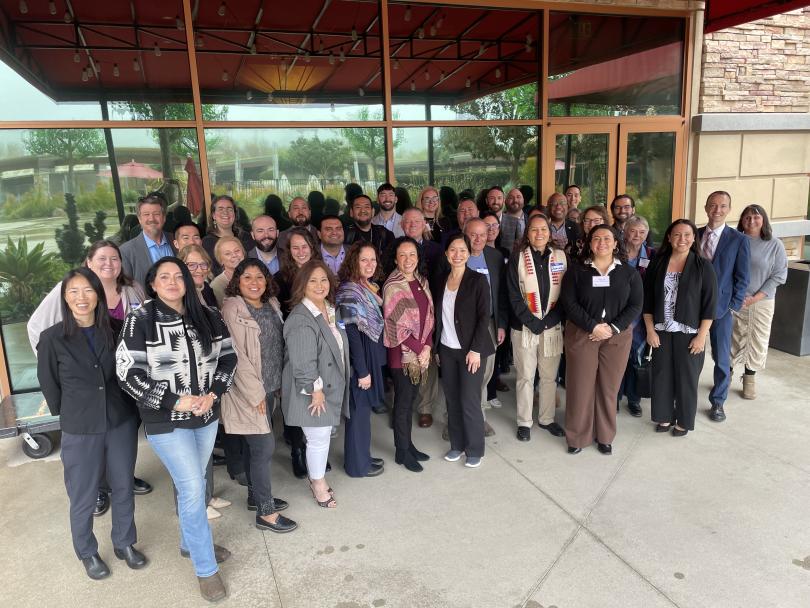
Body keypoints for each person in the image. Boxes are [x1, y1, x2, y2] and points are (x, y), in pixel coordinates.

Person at [116, 257, 237, 602]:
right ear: (152, 283)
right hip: (166, 421)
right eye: (163, 277)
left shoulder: (206, 316)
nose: (172, 282)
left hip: (207, 415)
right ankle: (205, 568)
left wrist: (214, 392)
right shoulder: (140, 319)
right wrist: (174, 401)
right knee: (191, 487)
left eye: (178, 277)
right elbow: (127, 372)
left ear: (187, 281)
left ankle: (189, 542)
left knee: (196, 482)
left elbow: (229, 357)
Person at [37, 268, 146, 581]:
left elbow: (129, 371)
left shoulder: (116, 327)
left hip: (119, 419)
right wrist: (71, 413)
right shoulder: (52, 338)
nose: (81, 298)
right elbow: (50, 384)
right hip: (80, 425)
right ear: (65, 297)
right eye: (73, 292)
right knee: (83, 494)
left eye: (87, 290)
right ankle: (87, 551)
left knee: (123, 485)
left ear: (99, 293)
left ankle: (125, 542)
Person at [27, 240, 151, 513]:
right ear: (89, 262)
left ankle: (122, 479)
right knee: (91, 444)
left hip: (121, 384)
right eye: (102, 259)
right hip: (85, 388)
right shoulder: (71, 289)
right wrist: (61, 365)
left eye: (114, 259)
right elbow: (36, 326)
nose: (109, 264)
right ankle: (96, 488)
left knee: (120, 440)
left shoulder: (132, 289)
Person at [220, 260, 297, 532]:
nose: (254, 282)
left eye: (260, 277)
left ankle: (256, 497)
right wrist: (256, 394)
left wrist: (278, 383)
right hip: (248, 391)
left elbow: (277, 344)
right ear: (237, 281)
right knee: (263, 449)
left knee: (258, 448)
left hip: (270, 386)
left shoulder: (271, 303)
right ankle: (266, 514)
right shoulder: (232, 308)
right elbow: (236, 356)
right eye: (247, 277)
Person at [561, 225, 643, 455]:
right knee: (580, 387)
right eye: (596, 238)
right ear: (590, 243)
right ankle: (577, 437)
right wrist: (593, 326)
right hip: (582, 333)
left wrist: (613, 327)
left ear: (616, 243)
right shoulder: (577, 272)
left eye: (607, 238)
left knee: (608, 388)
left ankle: (605, 436)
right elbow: (569, 303)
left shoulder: (628, 273)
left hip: (616, 337)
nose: (602, 243)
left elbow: (635, 304)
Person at [282, 261, 350, 508]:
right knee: (318, 438)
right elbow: (303, 362)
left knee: (321, 437)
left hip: (327, 387)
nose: (320, 285)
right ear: (301, 285)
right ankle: (318, 483)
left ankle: (317, 477)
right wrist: (315, 390)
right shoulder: (301, 318)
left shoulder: (328, 308)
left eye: (323, 279)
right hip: (313, 392)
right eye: (312, 281)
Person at [644, 220, 717, 437]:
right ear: (669, 237)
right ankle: (664, 416)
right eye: (677, 234)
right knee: (661, 375)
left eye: (687, 235)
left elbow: (709, 305)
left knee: (687, 378)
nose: (682, 239)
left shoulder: (703, 266)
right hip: (661, 331)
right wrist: (650, 330)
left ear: (694, 238)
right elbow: (646, 300)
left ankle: (684, 421)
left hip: (690, 334)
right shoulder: (657, 263)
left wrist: (701, 336)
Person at [177, 243, 230, 518]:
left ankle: (206, 496)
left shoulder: (203, 292)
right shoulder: (181, 298)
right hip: (187, 389)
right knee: (187, 454)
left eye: (202, 265)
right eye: (191, 265)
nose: (198, 270)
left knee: (204, 449)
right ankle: (193, 504)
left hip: (208, 385)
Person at [433, 234, 494, 468]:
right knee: (452, 399)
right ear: (446, 254)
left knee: (469, 400)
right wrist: (437, 347)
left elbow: (483, 318)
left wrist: (476, 350)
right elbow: (439, 317)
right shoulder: (440, 280)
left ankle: (475, 448)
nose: (457, 254)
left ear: (469, 254)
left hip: (471, 351)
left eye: (462, 250)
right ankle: (457, 445)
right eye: (453, 250)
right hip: (447, 350)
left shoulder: (478, 281)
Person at [508, 214, 568, 442]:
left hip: (552, 328)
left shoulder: (561, 256)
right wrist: (534, 322)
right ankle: (524, 422)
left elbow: (566, 293)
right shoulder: (518, 258)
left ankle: (547, 419)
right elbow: (513, 296)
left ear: (550, 233)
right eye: (534, 230)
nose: (539, 234)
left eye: (543, 229)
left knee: (549, 376)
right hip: (525, 328)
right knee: (525, 376)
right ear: (528, 233)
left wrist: (550, 321)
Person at [383, 237, 435, 473]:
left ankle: (409, 445)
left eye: (412, 254)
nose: (407, 259)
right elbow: (394, 325)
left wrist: (427, 347)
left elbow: (429, 318)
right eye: (402, 255)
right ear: (395, 258)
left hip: (421, 352)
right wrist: (419, 348)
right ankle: (401, 452)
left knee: (411, 399)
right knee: (403, 404)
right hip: (401, 355)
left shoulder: (422, 281)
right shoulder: (393, 285)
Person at [698, 191, 750, 422]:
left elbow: (742, 277)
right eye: (712, 205)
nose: (717, 210)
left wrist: (733, 306)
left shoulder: (739, 240)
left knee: (721, 358)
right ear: (705, 207)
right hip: (693, 308)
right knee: (691, 354)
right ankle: (684, 394)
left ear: (729, 209)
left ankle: (718, 401)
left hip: (721, 309)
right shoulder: (695, 235)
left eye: (722, 206)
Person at [336, 242, 387, 477]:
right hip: (360, 358)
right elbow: (352, 333)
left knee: (364, 413)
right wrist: (363, 370)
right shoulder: (348, 291)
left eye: (373, 259)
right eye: (364, 259)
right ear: (354, 261)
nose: (369, 264)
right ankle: (357, 466)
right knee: (357, 414)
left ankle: (362, 457)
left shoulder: (365, 286)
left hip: (369, 354)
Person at [731, 204, 788, 400]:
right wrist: (736, 296)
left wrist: (755, 297)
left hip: (761, 301)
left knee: (756, 340)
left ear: (763, 220)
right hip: (735, 300)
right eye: (747, 217)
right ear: (741, 220)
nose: (752, 221)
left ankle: (749, 379)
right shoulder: (735, 240)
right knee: (731, 338)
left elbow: (779, 275)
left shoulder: (774, 244)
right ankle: (725, 375)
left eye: (756, 217)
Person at [463, 218, 507, 435]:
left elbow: (501, 295)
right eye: (473, 234)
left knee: (485, 372)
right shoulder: (455, 255)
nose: (479, 238)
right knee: (463, 373)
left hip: (489, 324)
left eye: (483, 233)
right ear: (464, 234)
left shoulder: (495, 257)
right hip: (461, 326)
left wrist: (501, 325)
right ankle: (462, 418)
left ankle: (478, 415)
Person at [617, 216, 656, 417]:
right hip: (617, 315)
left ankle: (634, 399)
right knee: (615, 359)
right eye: (633, 231)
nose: (637, 236)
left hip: (641, 318)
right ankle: (614, 396)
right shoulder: (615, 252)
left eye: (642, 232)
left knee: (636, 359)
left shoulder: (652, 254)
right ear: (625, 231)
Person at [119, 192, 175, 286]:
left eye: (156, 214)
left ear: (164, 217)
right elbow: (126, 289)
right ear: (139, 219)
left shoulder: (176, 240)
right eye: (146, 214)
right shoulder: (126, 252)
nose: (151, 218)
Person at [202, 196, 252, 275]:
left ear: (234, 214)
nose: (225, 212)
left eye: (229, 209)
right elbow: (211, 271)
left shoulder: (246, 237)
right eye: (220, 209)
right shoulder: (207, 242)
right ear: (213, 215)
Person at [210, 236, 246, 308]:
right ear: (221, 260)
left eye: (237, 251)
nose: (234, 255)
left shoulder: (256, 274)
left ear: (243, 253)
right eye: (227, 254)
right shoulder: (216, 286)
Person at [500, 188, 527, 254]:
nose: (515, 200)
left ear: (523, 200)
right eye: (511, 198)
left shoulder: (531, 219)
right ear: (505, 201)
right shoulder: (499, 220)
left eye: (518, 197)